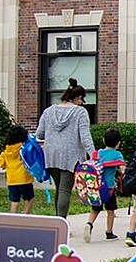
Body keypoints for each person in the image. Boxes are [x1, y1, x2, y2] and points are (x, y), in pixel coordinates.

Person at [36, 78, 95, 218]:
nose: (82, 103)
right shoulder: (80, 113)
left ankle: (58, 220)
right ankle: (61, 222)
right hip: (71, 156)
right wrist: (93, 155)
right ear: (78, 97)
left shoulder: (49, 111)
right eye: (82, 100)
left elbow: (39, 133)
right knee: (65, 189)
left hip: (51, 155)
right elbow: (85, 137)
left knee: (59, 189)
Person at [82, 128, 125, 243]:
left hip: (96, 187)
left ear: (103, 140)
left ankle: (89, 224)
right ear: (118, 143)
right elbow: (122, 169)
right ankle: (109, 232)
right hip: (109, 188)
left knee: (95, 209)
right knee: (110, 211)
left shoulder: (97, 153)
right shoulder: (117, 154)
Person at [0, 124, 35, 214]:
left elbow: (1, 164)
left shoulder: (6, 150)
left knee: (15, 201)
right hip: (25, 179)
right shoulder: (24, 148)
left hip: (12, 180)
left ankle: (13, 218)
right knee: (30, 198)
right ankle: (25, 216)